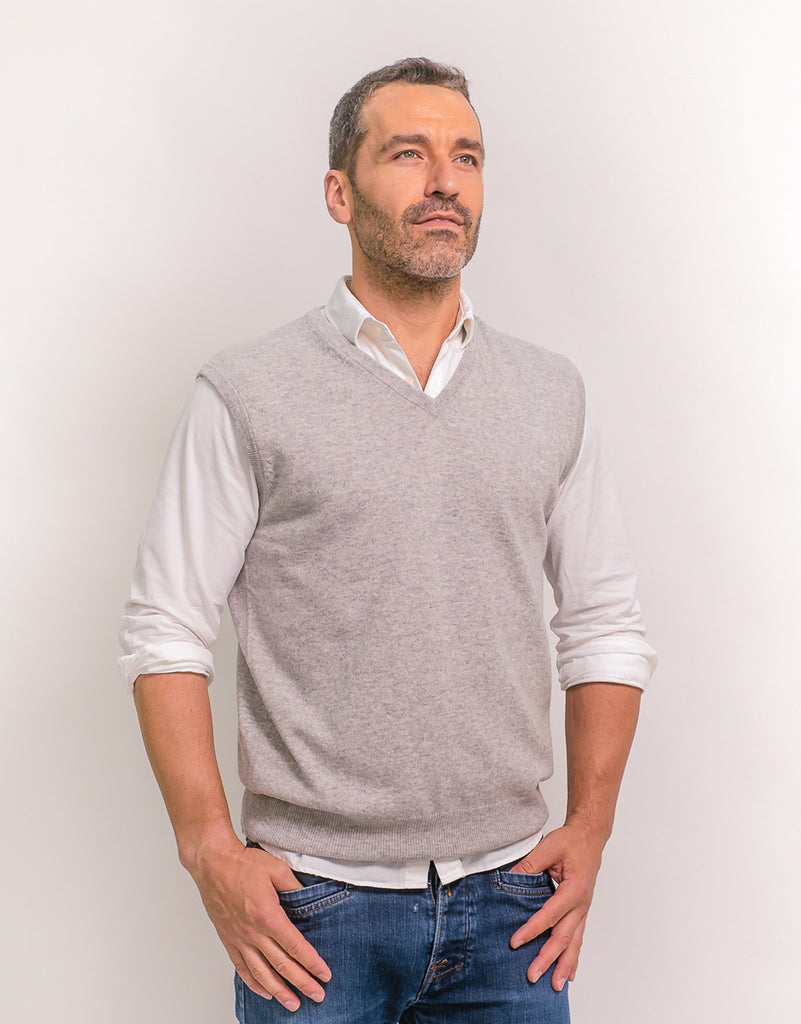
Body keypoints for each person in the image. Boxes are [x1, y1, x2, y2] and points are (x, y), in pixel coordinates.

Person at [120, 57, 656, 1023]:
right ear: (339, 193)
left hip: (514, 907)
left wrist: (591, 827)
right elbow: (166, 630)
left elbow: (604, 625)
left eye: (466, 157)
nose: (444, 181)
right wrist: (207, 849)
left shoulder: (550, 393)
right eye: (408, 153)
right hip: (311, 913)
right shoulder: (247, 392)